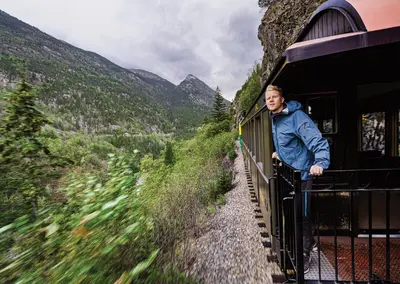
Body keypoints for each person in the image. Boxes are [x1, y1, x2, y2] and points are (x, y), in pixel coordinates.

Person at [265, 84, 330, 274]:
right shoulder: (275, 118)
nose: (270, 100)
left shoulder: (297, 117)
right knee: (294, 215)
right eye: (268, 98)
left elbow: (317, 140)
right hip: (289, 175)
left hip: (303, 175)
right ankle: (309, 243)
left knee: (302, 216)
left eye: (274, 97)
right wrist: (280, 155)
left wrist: (320, 163)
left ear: (282, 99)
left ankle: (305, 254)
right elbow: (290, 143)